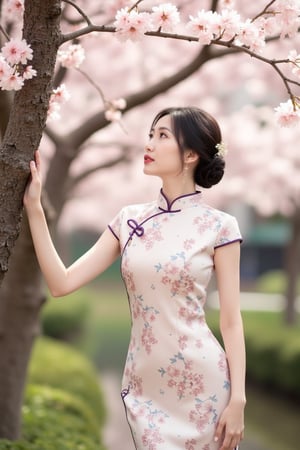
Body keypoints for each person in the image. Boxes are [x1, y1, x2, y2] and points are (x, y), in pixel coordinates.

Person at [24, 106, 246, 450]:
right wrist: (36, 209)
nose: (150, 144)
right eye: (150, 135)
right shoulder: (129, 220)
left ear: (190, 155)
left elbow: (231, 321)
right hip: (145, 386)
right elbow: (61, 283)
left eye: (162, 136)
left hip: (204, 386)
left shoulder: (220, 227)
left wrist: (238, 401)